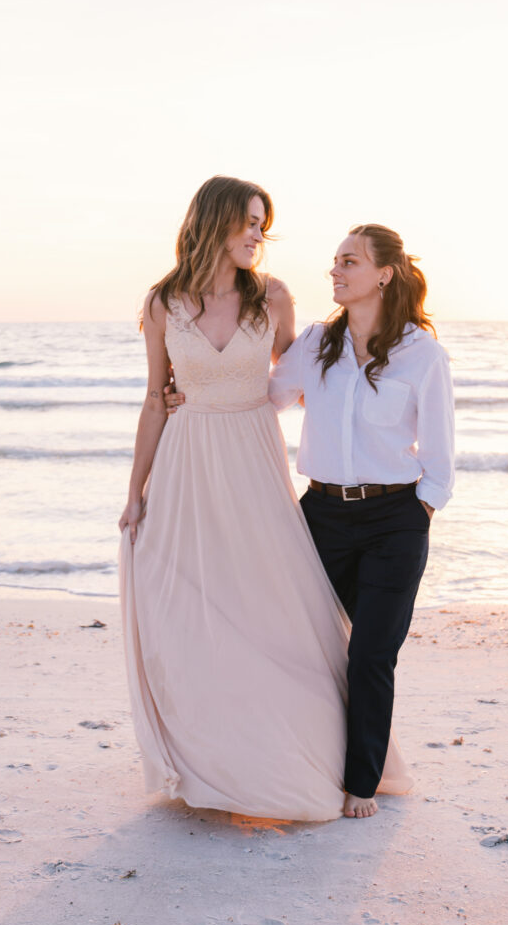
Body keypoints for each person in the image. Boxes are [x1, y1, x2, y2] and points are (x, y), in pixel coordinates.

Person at [118, 177, 411, 822]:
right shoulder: (163, 301)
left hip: (252, 463)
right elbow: (151, 398)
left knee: (273, 614)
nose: (258, 235)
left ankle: (309, 756)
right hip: (185, 467)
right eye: (249, 222)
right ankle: (208, 763)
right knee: (191, 616)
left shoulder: (272, 298)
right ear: (216, 221)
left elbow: (306, 379)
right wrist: (135, 492)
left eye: (262, 225)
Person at [268, 223, 455, 819]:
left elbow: (441, 450)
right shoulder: (320, 341)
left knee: (371, 655)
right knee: (302, 645)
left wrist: (421, 509)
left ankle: (361, 784)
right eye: (334, 262)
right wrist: (195, 390)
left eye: (349, 261)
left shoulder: (421, 352)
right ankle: (299, 764)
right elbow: (268, 397)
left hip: (393, 521)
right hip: (320, 514)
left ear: (384, 273)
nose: (336, 270)